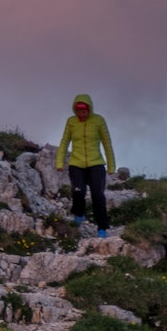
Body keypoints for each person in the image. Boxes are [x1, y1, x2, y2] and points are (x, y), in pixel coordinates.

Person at [56, 93, 116, 238]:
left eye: (84, 111)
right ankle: (79, 214)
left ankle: (102, 227)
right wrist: (59, 161)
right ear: (74, 110)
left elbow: (107, 143)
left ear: (90, 110)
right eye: (78, 111)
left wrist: (111, 166)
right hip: (76, 164)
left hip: (96, 164)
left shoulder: (99, 121)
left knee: (97, 196)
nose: (81, 114)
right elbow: (65, 141)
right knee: (78, 192)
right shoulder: (71, 121)